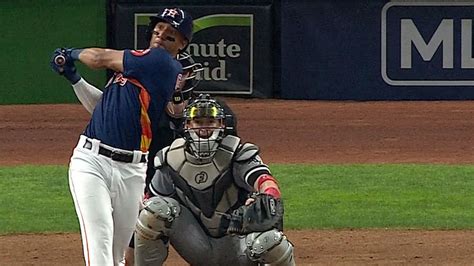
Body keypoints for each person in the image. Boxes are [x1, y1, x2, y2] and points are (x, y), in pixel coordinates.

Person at [50, 7, 194, 266]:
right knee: (101, 247)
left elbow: (100, 57)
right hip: (92, 162)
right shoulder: (138, 70)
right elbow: (102, 108)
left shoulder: (160, 63)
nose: (161, 34)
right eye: (159, 29)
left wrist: (69, 53)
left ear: (183, 43)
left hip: (132, 171)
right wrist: (74, 79)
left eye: (171, 32)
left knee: (116, 258)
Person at [134, 94, 295, 265]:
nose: (204, 128)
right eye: (198, 122)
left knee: (272, 242)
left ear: (221, 125)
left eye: (210, 122)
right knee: (154, 212)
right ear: (187, 125)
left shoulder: (237, 153)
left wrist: (269, 194)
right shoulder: (170, 157)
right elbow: (152, 200)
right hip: (196, 244)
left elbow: (263, 179)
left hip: (239, 245)